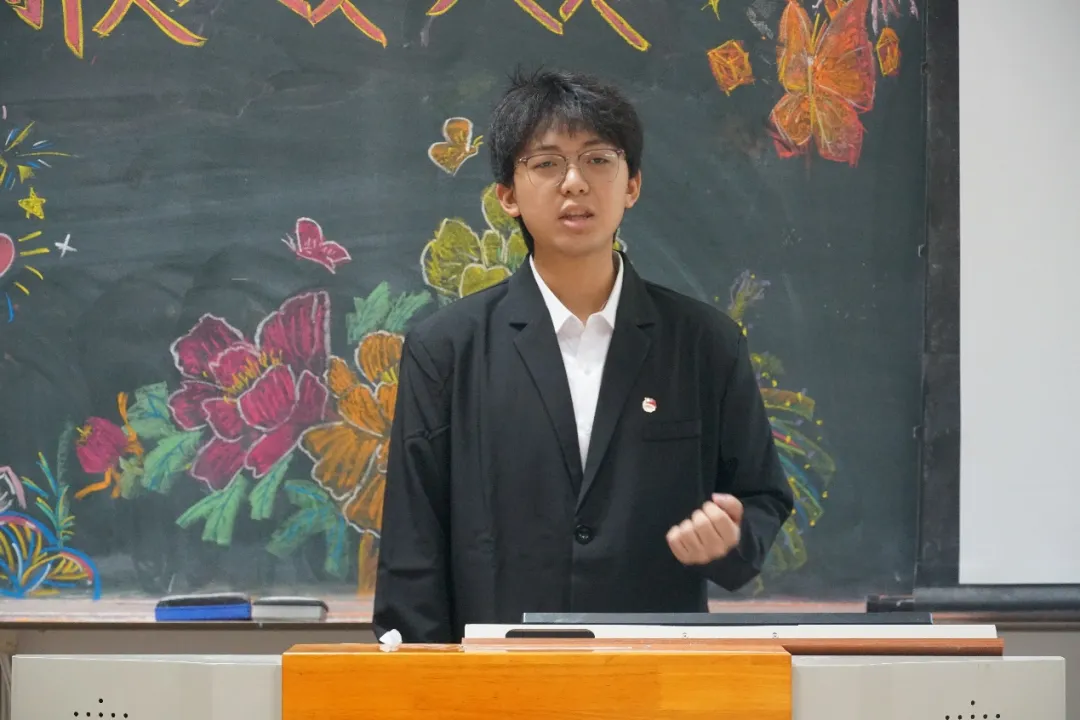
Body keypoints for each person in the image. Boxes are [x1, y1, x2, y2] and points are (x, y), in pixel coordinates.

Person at [373, 68, 794, 643]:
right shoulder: (446, 349)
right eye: (547, 163)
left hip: (654, 667)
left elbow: (761, 497)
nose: (574, 182)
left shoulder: (705, 342)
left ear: (632, 185)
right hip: (497, 670)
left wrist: (733, 538)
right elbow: (412, 549)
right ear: (507, 195)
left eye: (598, 159)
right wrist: (420, 678)